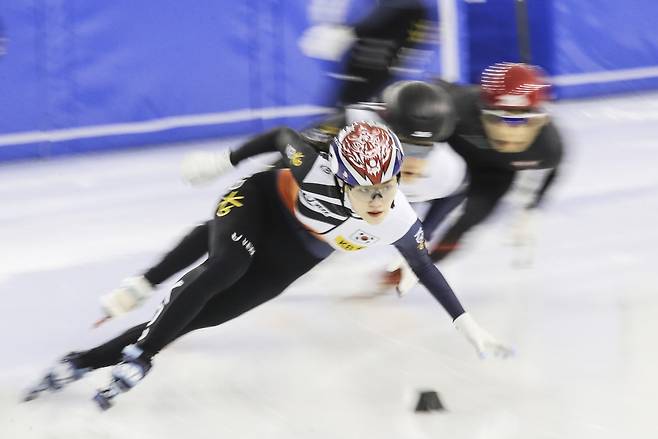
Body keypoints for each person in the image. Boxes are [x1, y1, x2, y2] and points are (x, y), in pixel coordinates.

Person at [25, 122, 510, 409]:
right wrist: (224, 161)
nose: (379, 199)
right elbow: (281, 136)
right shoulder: (313, 165)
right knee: (226, 268)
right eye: (365, 189)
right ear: (340, 179)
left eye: (388, 185)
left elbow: (428, 271)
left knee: (204, 315)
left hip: (297, 253)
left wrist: (470, 327)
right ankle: (143, 357)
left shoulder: (397, 218)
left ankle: (79, 364)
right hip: (258, 205)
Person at [97, 80, 467, 321]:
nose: (416, 157)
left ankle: (169, 317)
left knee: (248, 279)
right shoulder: (351, 124)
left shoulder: (447, 170)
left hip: (329, 231)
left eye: (425, 147)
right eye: (406, 143)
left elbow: (444, 200)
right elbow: (285, 155)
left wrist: (419, 247)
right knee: (225, 244)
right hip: (299, 196)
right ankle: (144, 284)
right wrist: (228, 164)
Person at [425, 62, 564, 263]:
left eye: (522, 120)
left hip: (495, 172)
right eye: (498, 118)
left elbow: (551, 171)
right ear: (480, 111)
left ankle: (421, 268)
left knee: (471, 218)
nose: (509, 131)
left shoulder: (548, 147)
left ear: (540, 121)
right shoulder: (456, 108)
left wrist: (532, 208)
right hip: (454, 154)